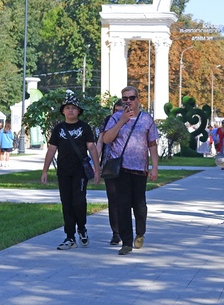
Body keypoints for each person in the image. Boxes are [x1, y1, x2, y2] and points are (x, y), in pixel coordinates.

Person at [103, 86, 159, 255]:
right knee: (123, 205)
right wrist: (121, 122)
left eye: (131, 98)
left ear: (138, 99)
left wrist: (154, 167)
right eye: (124, 99)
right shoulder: (115, 118)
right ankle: (126, 242)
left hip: (139, 169)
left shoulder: (146, 119)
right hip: (121, 169)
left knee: (139, 205)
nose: (128, 102)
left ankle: (140, 232)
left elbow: (152, 145)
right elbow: (106, 139)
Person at [41, 90, 101, 250]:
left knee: (78, 201)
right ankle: (69, 237)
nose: (71, 110)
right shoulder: (58, 129)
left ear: (78, 110)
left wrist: (97, 169)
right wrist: (45, 170)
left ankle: (81, 228)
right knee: (66, 203)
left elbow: (92, 148)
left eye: (73, 108)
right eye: (67, 108)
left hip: (80, 171)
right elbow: (51, 150)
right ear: (63, 111)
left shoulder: (85, 127)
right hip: (63, 171)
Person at [96, 99, 124, 245]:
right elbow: (100, 141)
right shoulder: (108, 121)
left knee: (126, 199)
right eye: (116, 110)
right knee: (113, 199)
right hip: (109, 164)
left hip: (127, 165)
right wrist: (96, 162)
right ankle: (116, 232)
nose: (117, 114)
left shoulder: (131, 121)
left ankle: (126, 230)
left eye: (121, 111)